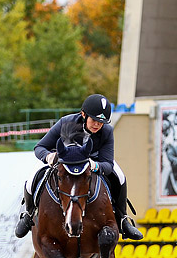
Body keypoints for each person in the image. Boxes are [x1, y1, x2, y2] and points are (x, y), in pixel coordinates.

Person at [14, 94, 143, 241]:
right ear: (83, 114)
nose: (97, 125)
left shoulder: (106, 131)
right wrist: (48, 156)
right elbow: (40, 147)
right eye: (94, 120)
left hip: (92, 161)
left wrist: (95, 165)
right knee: (33, 176)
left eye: (101, 122)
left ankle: (122, 218)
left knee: (120, 176)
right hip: (65, 160)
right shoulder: (66, 123)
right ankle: (28, 214)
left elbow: (107, 164)